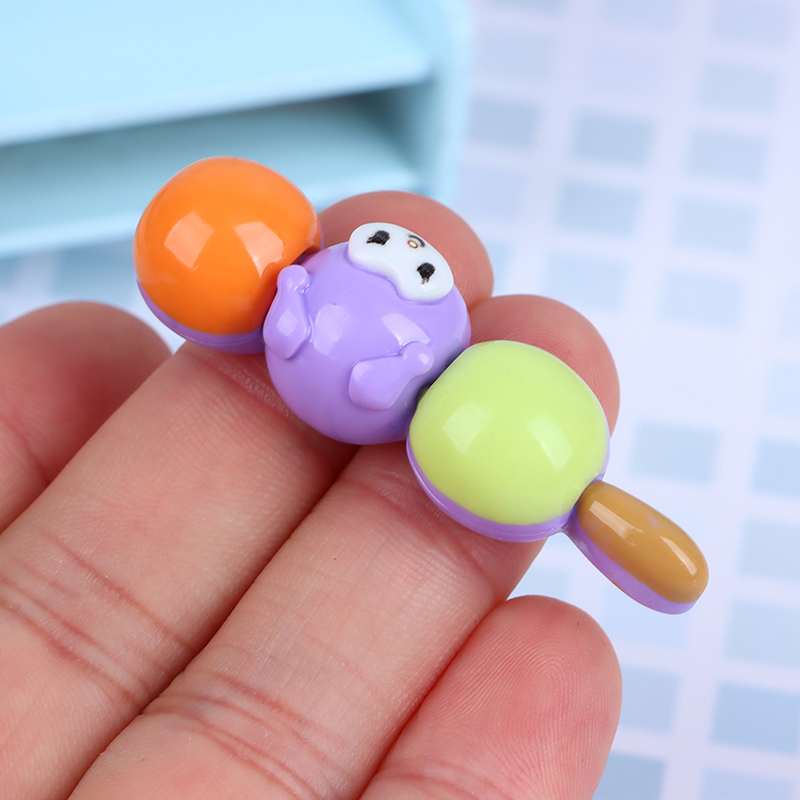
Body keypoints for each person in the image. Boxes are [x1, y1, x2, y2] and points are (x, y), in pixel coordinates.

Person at [0, 191, 622, 799]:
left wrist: (392, 364)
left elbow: (364, 384)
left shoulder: (410, 340)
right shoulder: (308, 287)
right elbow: (332, 364)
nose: (404, 254)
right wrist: (305, 316)